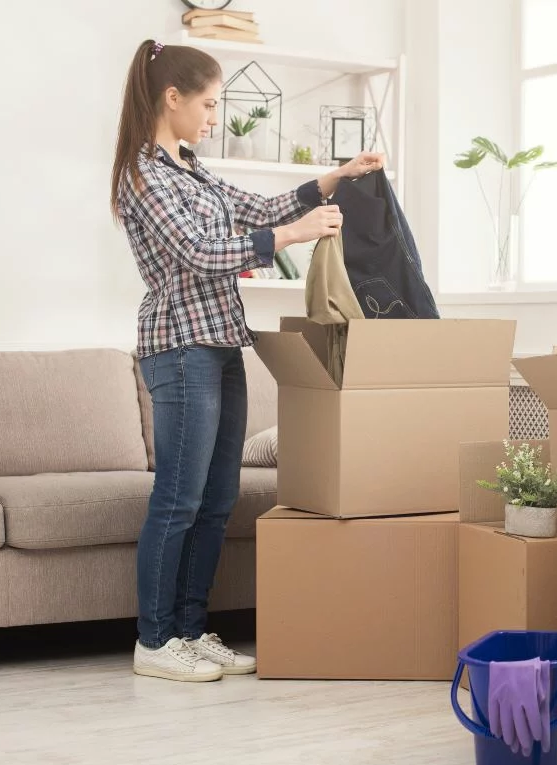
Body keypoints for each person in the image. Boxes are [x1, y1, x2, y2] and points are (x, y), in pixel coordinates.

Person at [110, 39, 383, 682]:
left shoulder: (193, 168)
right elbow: (203, 252)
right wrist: (294, 235)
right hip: (179, 347)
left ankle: (189, 629)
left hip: (221, 342)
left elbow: (255, 210)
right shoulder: (143, 176)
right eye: (207, 104)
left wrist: (335, 178)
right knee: (178, 497)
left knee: (217, 496)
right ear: (171, 98)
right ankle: (153, 642)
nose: (213, 116)